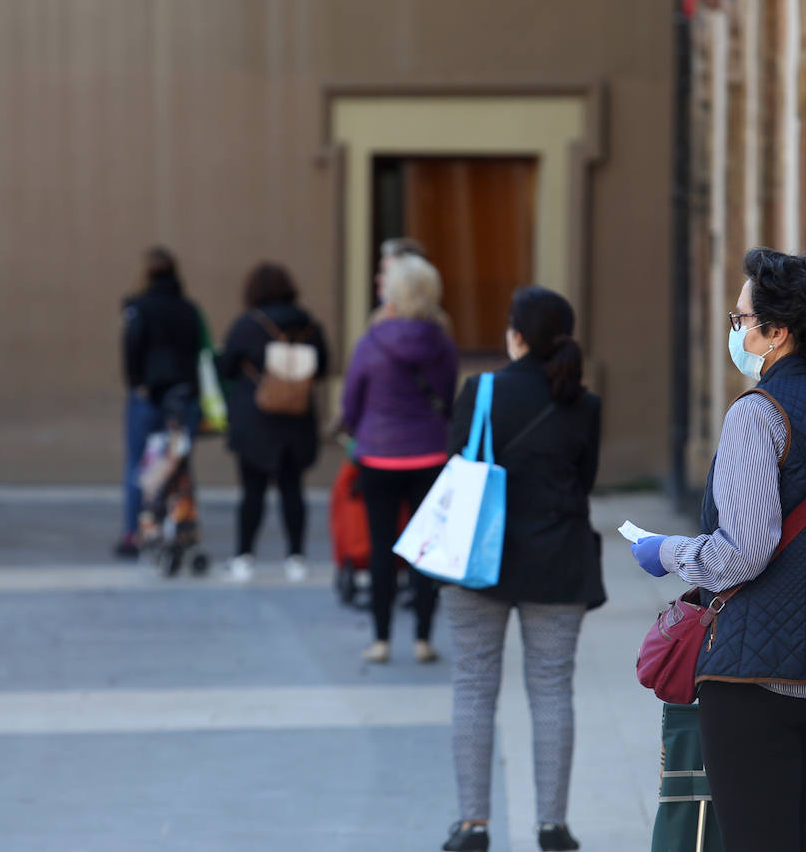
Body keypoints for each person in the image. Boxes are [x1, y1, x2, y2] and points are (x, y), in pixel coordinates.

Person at [628, 248, 806, 852]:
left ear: (775, 332)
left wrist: (667, 551)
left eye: (740, 321)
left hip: (756, 677)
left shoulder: (757, 416)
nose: (736, 332)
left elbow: (743, 554)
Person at [441, 287, 603, 852]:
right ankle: (552, 826)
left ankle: (473, 826)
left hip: (477, 561)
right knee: (553, 690)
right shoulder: (583, 404)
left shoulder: (480, 391)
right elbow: (583, 484)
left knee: (473, 687)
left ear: (515, 335)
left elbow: (456, 471)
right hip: (558, 561)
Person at [342, 254, 458, 664]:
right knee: (426, 549)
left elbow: (351, 400)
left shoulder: (372, 341)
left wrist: (355, 431)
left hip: (378, 457)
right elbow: (447, 397)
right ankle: (423, 639)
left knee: (380, 549)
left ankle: (381, 640)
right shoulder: (441, 341)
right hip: (429, 454)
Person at [217, 263, 329, 583]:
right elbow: (322, 368)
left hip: (256, 421)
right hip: (298, 420)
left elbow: (226, 367)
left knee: (252, 491)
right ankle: (296, 558)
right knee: (293, 491)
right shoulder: (310, 325)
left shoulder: (248, 325)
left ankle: (244, 558)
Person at [115, 246, 205, 559]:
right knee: (179, 467)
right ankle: (181, 530)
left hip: (148, 396)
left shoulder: (139, 308)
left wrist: (137, 385)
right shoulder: (188, 309)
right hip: (183, 395)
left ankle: (137, 533)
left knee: (139, 466)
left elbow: (131, 349)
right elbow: (198, 350)